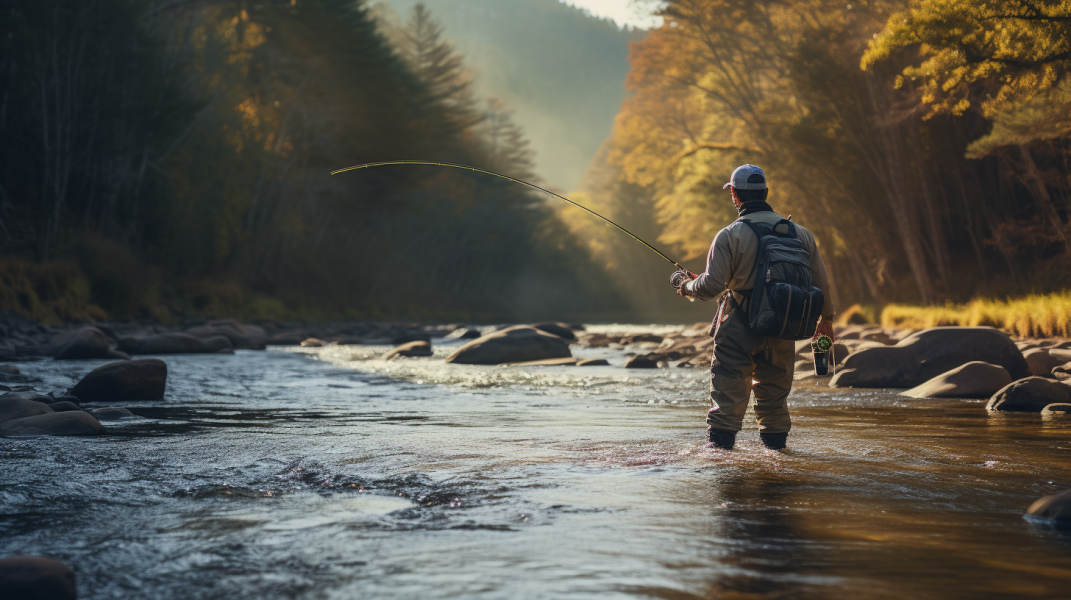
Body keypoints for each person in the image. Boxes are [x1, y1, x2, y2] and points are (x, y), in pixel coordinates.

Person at [674, 165, 834, 450]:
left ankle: (722, 466)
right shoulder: (801, 234)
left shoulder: (729, 235)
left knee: (727, 401)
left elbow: (711, 287)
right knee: (774, 403)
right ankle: (778, 466)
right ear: (765, 193)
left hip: (740, 325)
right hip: (785, 324)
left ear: (735, 195)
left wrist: (686, 286)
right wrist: (827, 322)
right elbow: (822, 284)